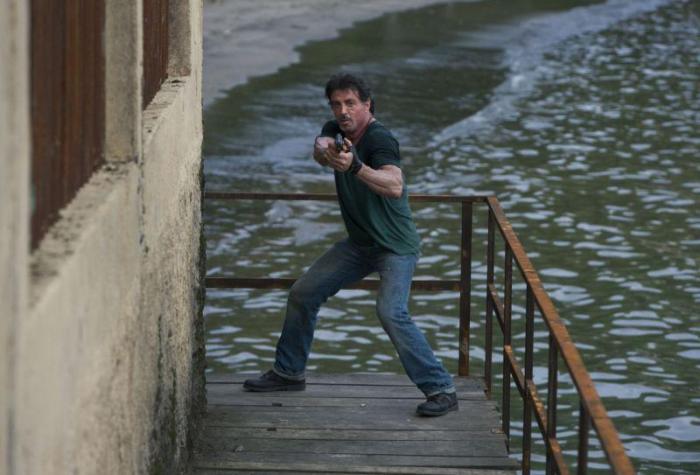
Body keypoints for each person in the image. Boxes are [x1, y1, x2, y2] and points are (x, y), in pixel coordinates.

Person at [243, 73, 457, 416]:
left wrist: (356, 166)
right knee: (303, 293)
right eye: (336, 104)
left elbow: (394, 185)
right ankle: (288, 372)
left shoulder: (380, 139)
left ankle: (441, 389)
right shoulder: (335, 128)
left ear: (367, 105)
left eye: (350, 103)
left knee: (391, 311)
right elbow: (322, 147)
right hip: (359, 244)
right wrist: (323, 147)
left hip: (395, 246)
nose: (343, 111)